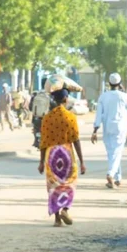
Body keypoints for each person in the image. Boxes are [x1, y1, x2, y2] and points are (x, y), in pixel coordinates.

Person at [39, 87, 85, 226]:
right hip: (66, 154)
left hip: (52, 155)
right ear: (65, 99)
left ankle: (57, 219)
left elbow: (43, 143)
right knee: (69, 182)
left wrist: (41, 162)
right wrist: (82, 161)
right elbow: (75, 139)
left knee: (54, 185)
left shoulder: (47, 118)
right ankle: (65, 208)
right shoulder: (70, 117)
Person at [91, 73, 127, 189]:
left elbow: (98, 115)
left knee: (112, 153)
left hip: (107, 128)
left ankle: (118, 178)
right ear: (120, 84)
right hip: (120, 128)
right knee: (117, 152)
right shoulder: (124, 96)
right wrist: (124, 92)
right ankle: (111, 174)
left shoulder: (103, 97)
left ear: (109, 84)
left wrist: (95, 130)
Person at [30, 78, 51, 149]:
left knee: (35, 129)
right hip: (47, 119)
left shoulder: (35, 94)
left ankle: (36, 140)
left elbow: (30, 107)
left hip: (36, 119)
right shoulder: (50, 95)